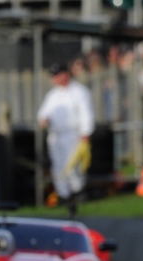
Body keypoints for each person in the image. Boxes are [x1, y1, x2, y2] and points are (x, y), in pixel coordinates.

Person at [37, 62, 95, 208]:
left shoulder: (79, 92)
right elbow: (44, 112)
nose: (54, 78)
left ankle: (78, 191)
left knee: (73, 165)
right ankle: (63, 193)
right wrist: (44, 119)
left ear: (65, 75)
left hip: (73, 134)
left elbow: (86, 114)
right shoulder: (53, 95)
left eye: (56, 75)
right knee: (58, 165)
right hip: (56, 135)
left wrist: (85, 133)